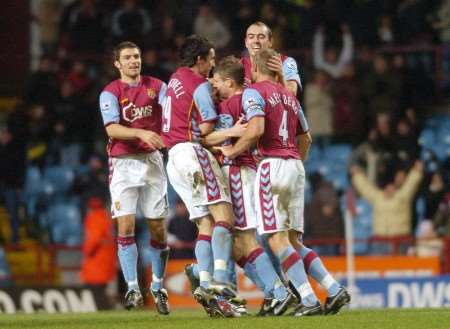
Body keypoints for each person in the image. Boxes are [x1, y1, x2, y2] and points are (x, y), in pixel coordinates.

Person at [218, 48, 350, 316]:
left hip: (272, 165)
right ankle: (334, 288)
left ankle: (309, 299)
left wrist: (231, 151)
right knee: (293, 241)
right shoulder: (290, 97)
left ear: (254, 68)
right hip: (295, 167)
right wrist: (294, 162)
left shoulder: (255, 92)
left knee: (275, 240)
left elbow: (256, 129)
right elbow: (307, 138)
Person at [200, 56, 294, 316]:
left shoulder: (231, 104)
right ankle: (276, 290)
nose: (214, 87)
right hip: (252, 170)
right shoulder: (252, 100)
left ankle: (279, 291)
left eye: (217, 81)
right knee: (242, 242)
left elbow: (207, 138)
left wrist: (215, 140)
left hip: (238, 172)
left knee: (244, 238)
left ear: (229, 82)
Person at [161, 35, 239, 317]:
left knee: (205, 223)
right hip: (192, 153)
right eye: (212, 58)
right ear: (199, 60)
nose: (214, 64)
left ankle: (204, 281)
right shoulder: (200, 85)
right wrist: (234, 130)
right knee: (225, 217)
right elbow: (206, 128)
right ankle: (220, 281)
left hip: (173, 160)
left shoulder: (174, 79)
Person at [98, 41, 170, 314]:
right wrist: (141, 133)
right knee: (125, 225)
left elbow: (171, 110)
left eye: (137, 56)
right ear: (117, 63)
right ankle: (131, 287)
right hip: (123, 163)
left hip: (152, 162)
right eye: (127, 57)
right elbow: (112, 129)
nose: (134, 61)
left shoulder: (157, 86)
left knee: (158, 230)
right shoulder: (110, 93)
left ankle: (159, 286)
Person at [241, 21, 302, 95]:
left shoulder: (285, 62)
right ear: (246, 42)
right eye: (251, 37)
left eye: (261, 37)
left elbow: (292, 94)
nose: (256, 41)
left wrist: (281, 77)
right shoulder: (239, 65)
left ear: (270, 42)